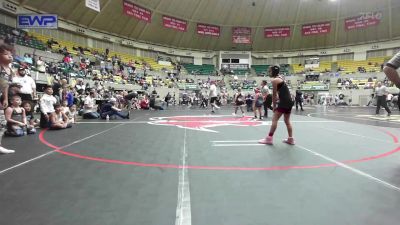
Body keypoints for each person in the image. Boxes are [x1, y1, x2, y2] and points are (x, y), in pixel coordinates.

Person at [259, 65, 294, 145]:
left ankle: (269, 139)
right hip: (289, 102)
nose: (269, 72)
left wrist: (274, 107)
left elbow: (274, 95)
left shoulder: (275, 80)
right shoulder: (280, 78)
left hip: (284, 102)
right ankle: (291, 139)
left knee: (274, 119)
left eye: (270, 71)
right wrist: (279, 99)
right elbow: (280, 93)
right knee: (287, 121)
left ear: (273, 72)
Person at [0, 44, 15, 153]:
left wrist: (5, 98)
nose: (10, 56)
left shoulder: (10, 71)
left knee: (2, 122)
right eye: (6, 54)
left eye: (11, 54)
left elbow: (5, 85)